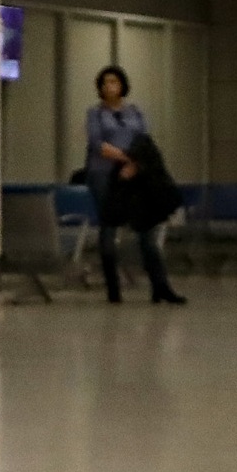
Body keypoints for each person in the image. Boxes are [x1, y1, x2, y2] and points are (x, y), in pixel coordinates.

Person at [83, 65, 184, 306]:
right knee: (109, 227)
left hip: (135, 173)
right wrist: (125, 159)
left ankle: (160, 286)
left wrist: (136, 163)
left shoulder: (135, 112)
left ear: (122, 85)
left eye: (114, 82)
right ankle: (113, 288)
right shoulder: (95, 114)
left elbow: (144, 141)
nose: (110, 87)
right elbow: (98, 143)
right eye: (105, 83)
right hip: (105, 173)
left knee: (147, 229)